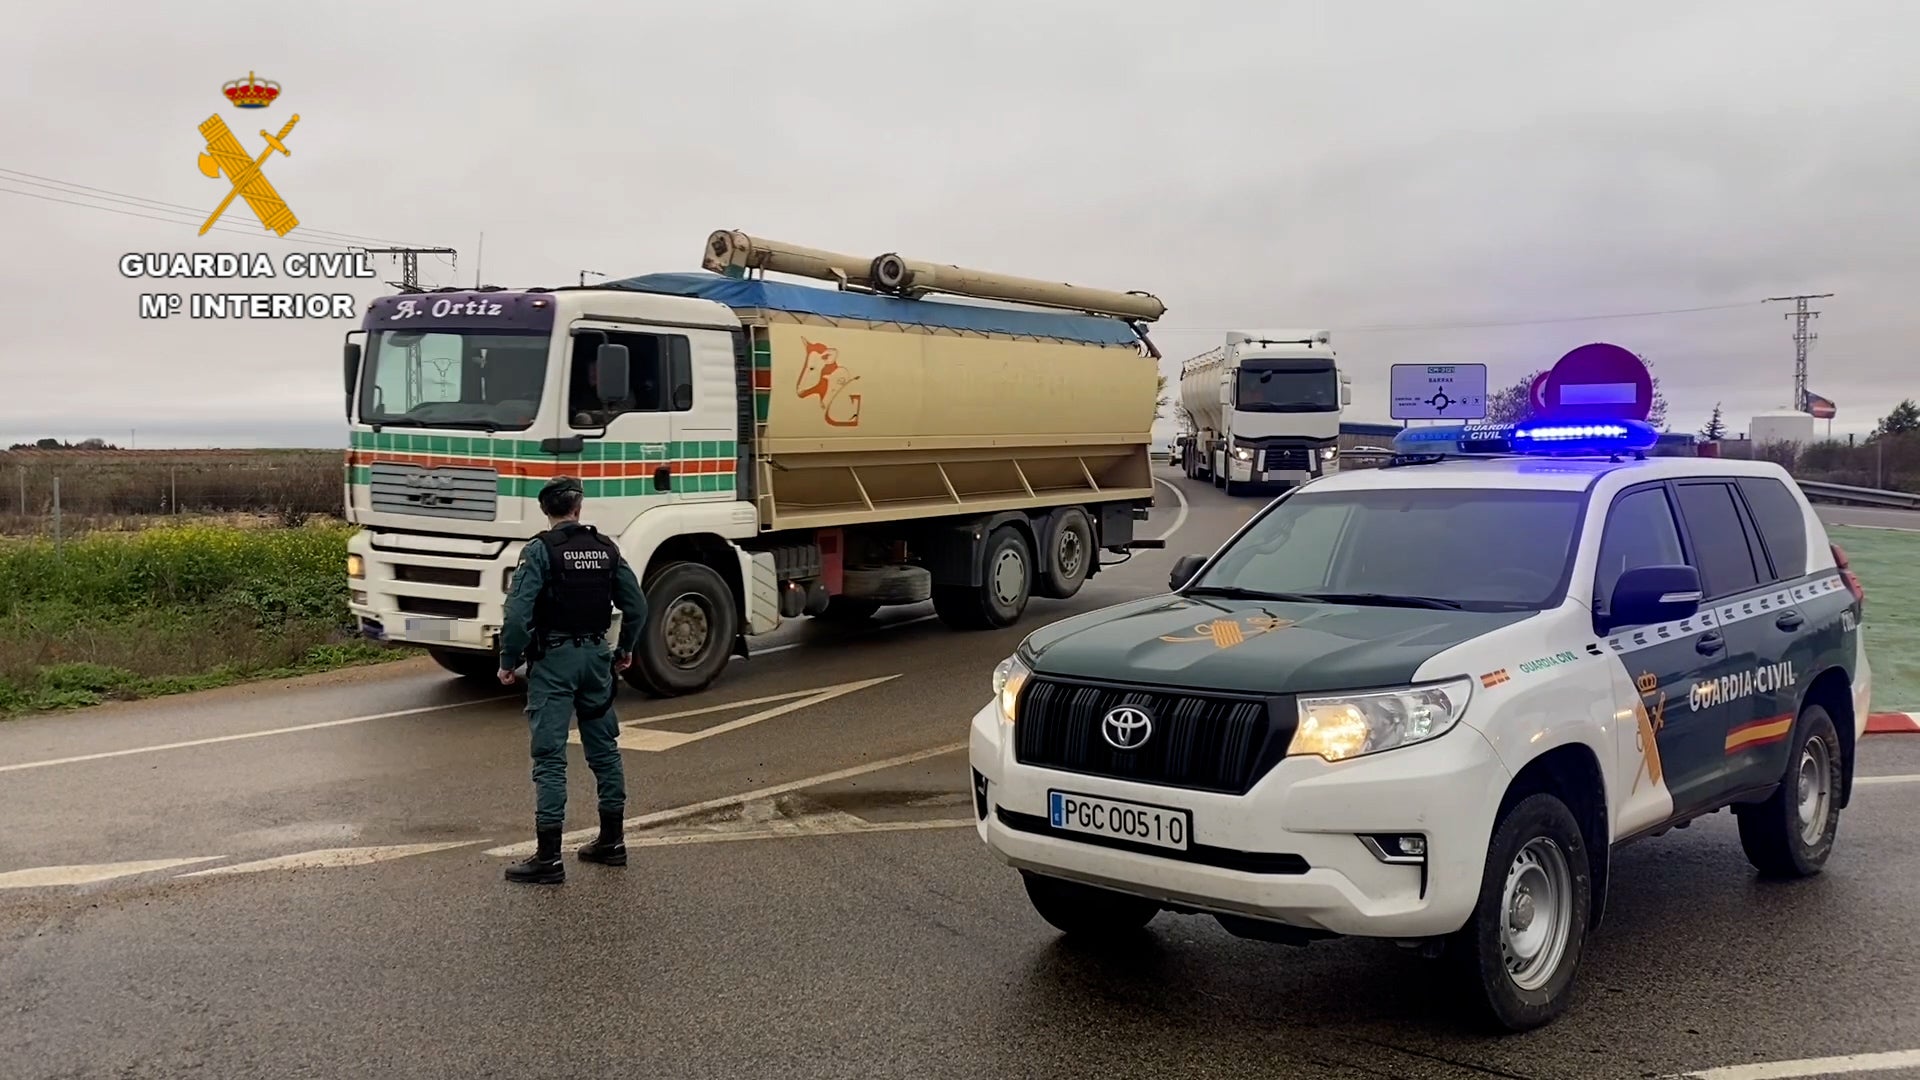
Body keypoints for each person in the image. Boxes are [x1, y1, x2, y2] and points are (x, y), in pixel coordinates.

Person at [497, 475, 647, 885]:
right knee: (605, 751)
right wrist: (625, 649)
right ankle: (612, 842)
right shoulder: (606, 549)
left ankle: (549, 859)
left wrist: (509, 660)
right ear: (579, 509)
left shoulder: (539, 552)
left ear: (547, 511)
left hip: (554, 663)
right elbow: (637, 606)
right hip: (597, 660)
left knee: (549, 758)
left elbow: (515, 616)